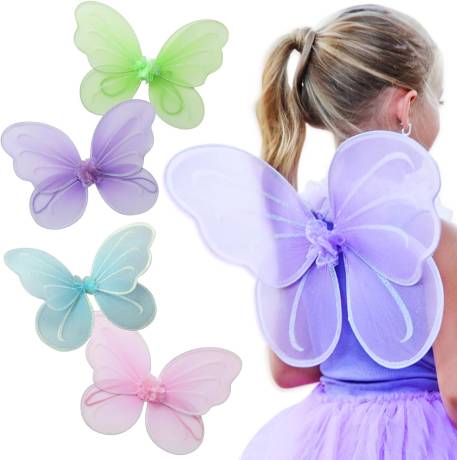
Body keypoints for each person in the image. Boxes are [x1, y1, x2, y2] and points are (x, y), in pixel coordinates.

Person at [241, 3, 457, 459]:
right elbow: (455, 391)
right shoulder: (433, 238)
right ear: (407, 107)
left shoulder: (304, 231)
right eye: (439, 99)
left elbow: (288, 371)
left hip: (328, 440)